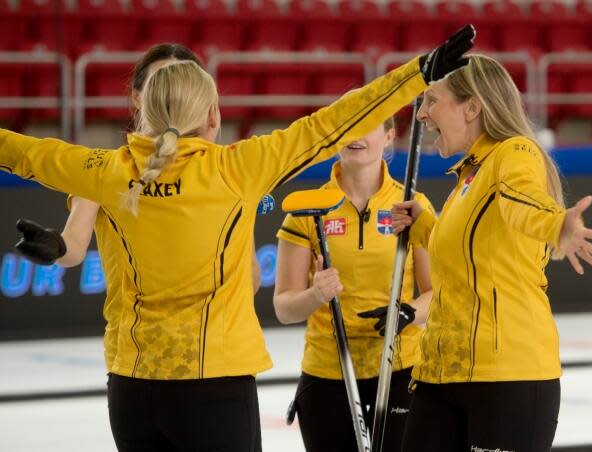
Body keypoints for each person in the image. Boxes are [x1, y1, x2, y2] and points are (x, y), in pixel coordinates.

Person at [1, 26, 475, 452]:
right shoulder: (236, 169)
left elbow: (23, 152)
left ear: (141, 107)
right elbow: (332, 123)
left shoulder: (107, 171)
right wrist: (418, 74)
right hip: (215, 390)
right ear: (212, 114)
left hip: (131, 389)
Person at [391, 54, 592, 452]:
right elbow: (475, 252)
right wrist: (424, 224)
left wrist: (556, 225)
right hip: (441, 374)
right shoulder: (469, 174)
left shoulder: (515, 154)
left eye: (432, 101)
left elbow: (521, 203)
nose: (421, 115)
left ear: (472, 106)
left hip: (507, 377)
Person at [13, 44, 263, 375]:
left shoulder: (228, 174)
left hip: (215, 364)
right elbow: (73, 247)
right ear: (137, 97)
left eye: (182, 84)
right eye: (161, 83)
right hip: (136, 361)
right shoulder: (107, 171)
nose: (171, 94)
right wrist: (55, 246)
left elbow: (252, 280)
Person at [273, 115, 436, 452]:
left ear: (389, 135)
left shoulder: (411, 206)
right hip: (327, 372)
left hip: (399, 369)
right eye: (346, 126)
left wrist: (406, 313)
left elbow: (438, 294)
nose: (354, 136)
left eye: (368, 125)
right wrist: (315, 294)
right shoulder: (306, 209)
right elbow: (284, 308)